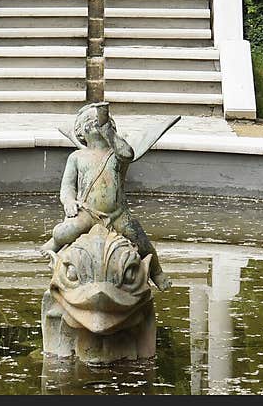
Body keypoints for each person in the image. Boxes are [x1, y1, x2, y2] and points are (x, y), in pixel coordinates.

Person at [41, 102, 171, 290]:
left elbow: (128, 153)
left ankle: (157, 272)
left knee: (142, 241)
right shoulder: (77, 157)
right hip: (87, 212)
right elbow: (67, 186)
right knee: (63, 232)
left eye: (101, 121)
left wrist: (108, 131)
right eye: (90, 121)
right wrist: (69, 201)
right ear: (81, 131)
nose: (96, 124)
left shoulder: (117, 154)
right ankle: (53, 245)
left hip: (118, 213)